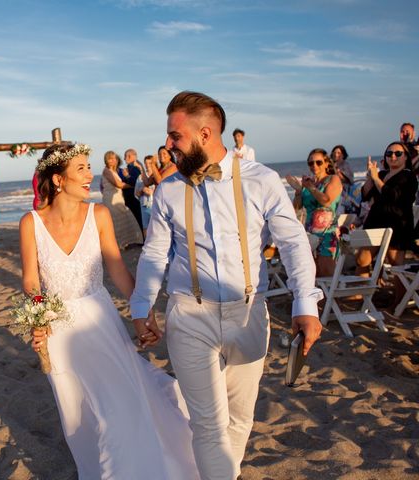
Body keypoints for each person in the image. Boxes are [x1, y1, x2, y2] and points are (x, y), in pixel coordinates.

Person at [130, 91, 323, 479]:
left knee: (239, 419)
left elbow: (292, 242)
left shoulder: (261, 180)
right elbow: (154, 254)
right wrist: (141, 306)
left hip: (249, 312)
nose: (168, 146)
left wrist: (306, 304)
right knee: (207, 425)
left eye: (175, 136)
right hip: (189, 314)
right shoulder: (168, 190)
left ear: (204, 134)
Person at [23, 143, 199, 479]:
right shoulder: (30, 223)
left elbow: (118, 269)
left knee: (116, 404)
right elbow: (31, 281)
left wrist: (142, 311)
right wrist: (37, 321)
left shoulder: (99, 215)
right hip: (58, 330)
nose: (90, 175)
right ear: (58, 179)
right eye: (81, 169)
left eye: (90, 167)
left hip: (99, 321)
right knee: (78, 411)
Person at [357, 142, 418, 305]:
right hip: (375, 224)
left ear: (406, 157)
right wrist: (371, 176)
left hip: (397, 225)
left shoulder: (408, 177)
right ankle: (362, 296)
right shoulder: (382, 174)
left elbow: (393, 196)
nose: (392, 156)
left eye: (398, 153)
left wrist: (377, 178)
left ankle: (400, 302)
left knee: (395, 264)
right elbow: (364, 194)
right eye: (389, 153)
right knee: (362, 259)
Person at [286, 149, 342, 277]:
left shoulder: (333, 179)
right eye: (311, 163)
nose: (314, 166)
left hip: (327, 234)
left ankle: (332, 298)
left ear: (327, 163)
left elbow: (326, 201)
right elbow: (296, 208)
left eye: (318, 162)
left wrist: (311, 187)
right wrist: (299, 191)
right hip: (310, 236)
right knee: (312, 276)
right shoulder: (310, 184)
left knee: (327, 275)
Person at [100, 151, 143, 249]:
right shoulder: (106, 170)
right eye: (110, 158)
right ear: (106, 160)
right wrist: (134, 185)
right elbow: (118, 184)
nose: (113, 160)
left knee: (124, 219)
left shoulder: (116, 171)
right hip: (111, 199)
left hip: (119, 198)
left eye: (114, 158)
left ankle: (123, 243)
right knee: (116, 221)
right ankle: (117, 245)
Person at [118, 148, 145, 230]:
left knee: (137, 220)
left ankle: (141, 241)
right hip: (132, 199)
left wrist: (126, 176)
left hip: (133, 199)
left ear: (130, 156)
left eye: (125, 156)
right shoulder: (133, 166)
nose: (124, 158)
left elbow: (137, 182)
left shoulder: (134, 167)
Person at [135, 155, 157, 238]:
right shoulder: (140, 177)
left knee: (156, 226)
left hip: (155, 204)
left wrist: (152, 192)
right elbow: (136, 194)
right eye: (146, 163)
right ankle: (146, 245)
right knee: (145, 226)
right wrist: (142, 190)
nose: (148, 165)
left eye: (150, 163)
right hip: (144, 205)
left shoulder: (157, 175)